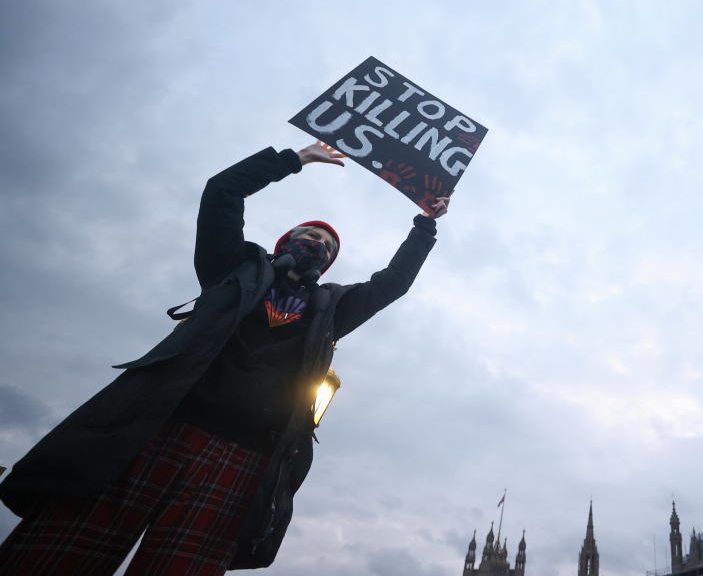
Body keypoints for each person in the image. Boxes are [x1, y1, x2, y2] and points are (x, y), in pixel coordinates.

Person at [0, 141, 447, 575]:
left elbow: (391, 284)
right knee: (62, 552)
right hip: (156, 429)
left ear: (327, 267)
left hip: (243, 456)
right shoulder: (231, 270)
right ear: (284, 241)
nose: (317, 245)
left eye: (327, 248)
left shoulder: (330, 310)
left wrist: (424, 225)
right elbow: (222, 192)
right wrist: (294, 158)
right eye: (309, 236)